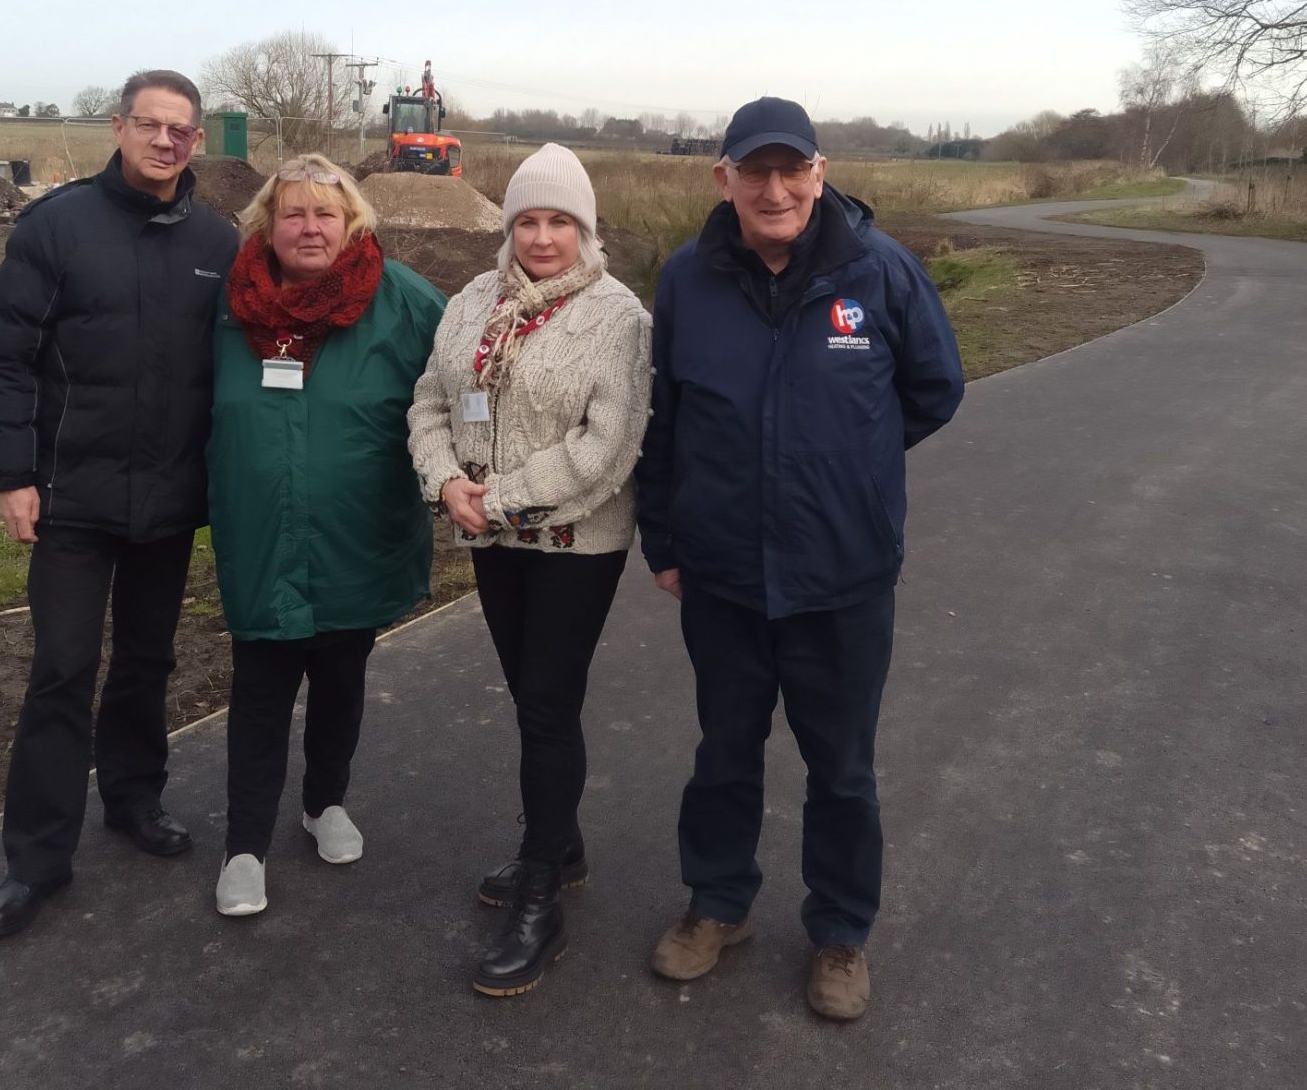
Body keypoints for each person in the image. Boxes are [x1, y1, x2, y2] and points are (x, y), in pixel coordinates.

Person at [636, 97, 964, 1020]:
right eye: (755, 171)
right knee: (724, 753)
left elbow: (935, 390)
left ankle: (840, 932)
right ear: (724, 179)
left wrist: (846, 460)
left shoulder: (882, 271)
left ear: (820, 174)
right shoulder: (686, 281)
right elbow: (667, 419)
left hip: (842, 574)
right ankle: (718, 905)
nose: (774, 190)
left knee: (843, 767)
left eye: (792, 170)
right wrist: (664, 539)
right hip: (723, 573)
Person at [0, 69, 238, 938]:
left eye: (182, 131)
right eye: (150, 125)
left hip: (167, 498)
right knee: (62, 671)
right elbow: (9, 356)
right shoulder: (57, 225)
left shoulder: (215, 239)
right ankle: (37, 862)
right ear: (119, 128)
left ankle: (133, 800)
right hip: (72, 500)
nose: (167, 142)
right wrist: (12, 477)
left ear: (196, 142)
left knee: (148, 662)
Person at [408, 143, 652, 997]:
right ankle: (564, 845)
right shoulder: (477, 299)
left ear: (583, 229)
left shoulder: (617, 316)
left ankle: (541, 893)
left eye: (559, 222)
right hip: (489, 535)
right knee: (530, 696)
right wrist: (444, 481)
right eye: (527, 221)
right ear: (507, 226)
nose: (542, 238)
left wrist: (500, 494)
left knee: (548, 705)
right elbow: (433, 399)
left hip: (572, 542)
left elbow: (607, 446)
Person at [208, 153, 445, 917]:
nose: (310, 227)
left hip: (358, 535)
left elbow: (466, 389)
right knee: (260, 688)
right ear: (267, 226)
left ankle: (324, 803)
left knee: (341, 678)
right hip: (261, 533)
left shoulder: (405, 302)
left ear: (353, 223)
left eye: (326, 213)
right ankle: (244, 845)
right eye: (293, 213)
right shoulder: (226, 307)